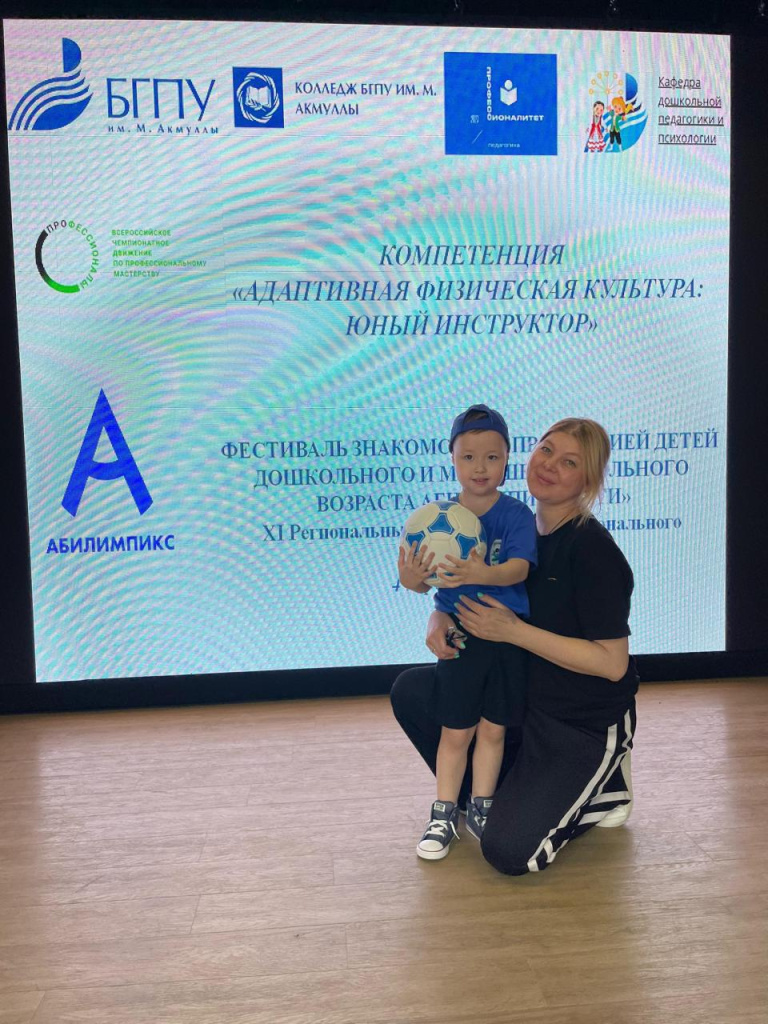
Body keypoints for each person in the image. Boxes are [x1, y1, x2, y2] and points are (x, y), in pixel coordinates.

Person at [391, 418, 638, 874]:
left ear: (589, 480)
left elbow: (612, 665)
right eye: (546, 449)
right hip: (525, 700)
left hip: (580, 722)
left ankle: (606, 784)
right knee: (413, 690)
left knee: (508, 852)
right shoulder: (516, 530)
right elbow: (468, 588)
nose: (550, 465)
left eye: (570, 462)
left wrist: (513, 632)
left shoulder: (592, 550)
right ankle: (480, 802)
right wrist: (438, 613)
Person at [398, 405, 537, 860]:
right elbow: (424, 582)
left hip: (507, 639)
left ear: (507, 458)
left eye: (492, 457)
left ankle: (482, 806)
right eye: (469, 457)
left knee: (493, 731)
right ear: (453, 459)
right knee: (456, 731)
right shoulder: (436, 517)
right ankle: (444, 813)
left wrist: (485, 572)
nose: (481, 467)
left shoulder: (516, 514)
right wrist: (411, 580)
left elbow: (519, 568)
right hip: (460, 639)